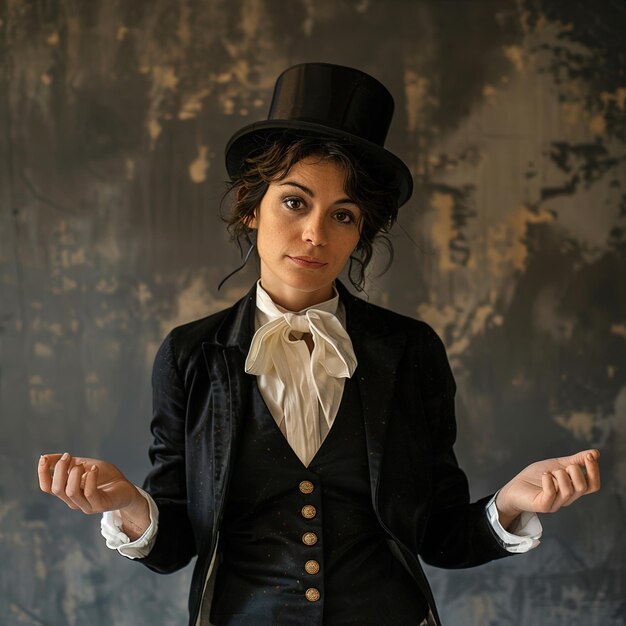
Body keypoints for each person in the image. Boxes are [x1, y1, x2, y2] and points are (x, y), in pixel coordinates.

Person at [37, 63, 601, 626]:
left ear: (361, 233)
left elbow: (440, 536)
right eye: (294, 202)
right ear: (251, 205)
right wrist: (129, 506)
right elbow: (177, 543)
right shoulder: (190, 354)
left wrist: (511, 504)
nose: (315, 233)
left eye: (344, 214)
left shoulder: (410, 350)